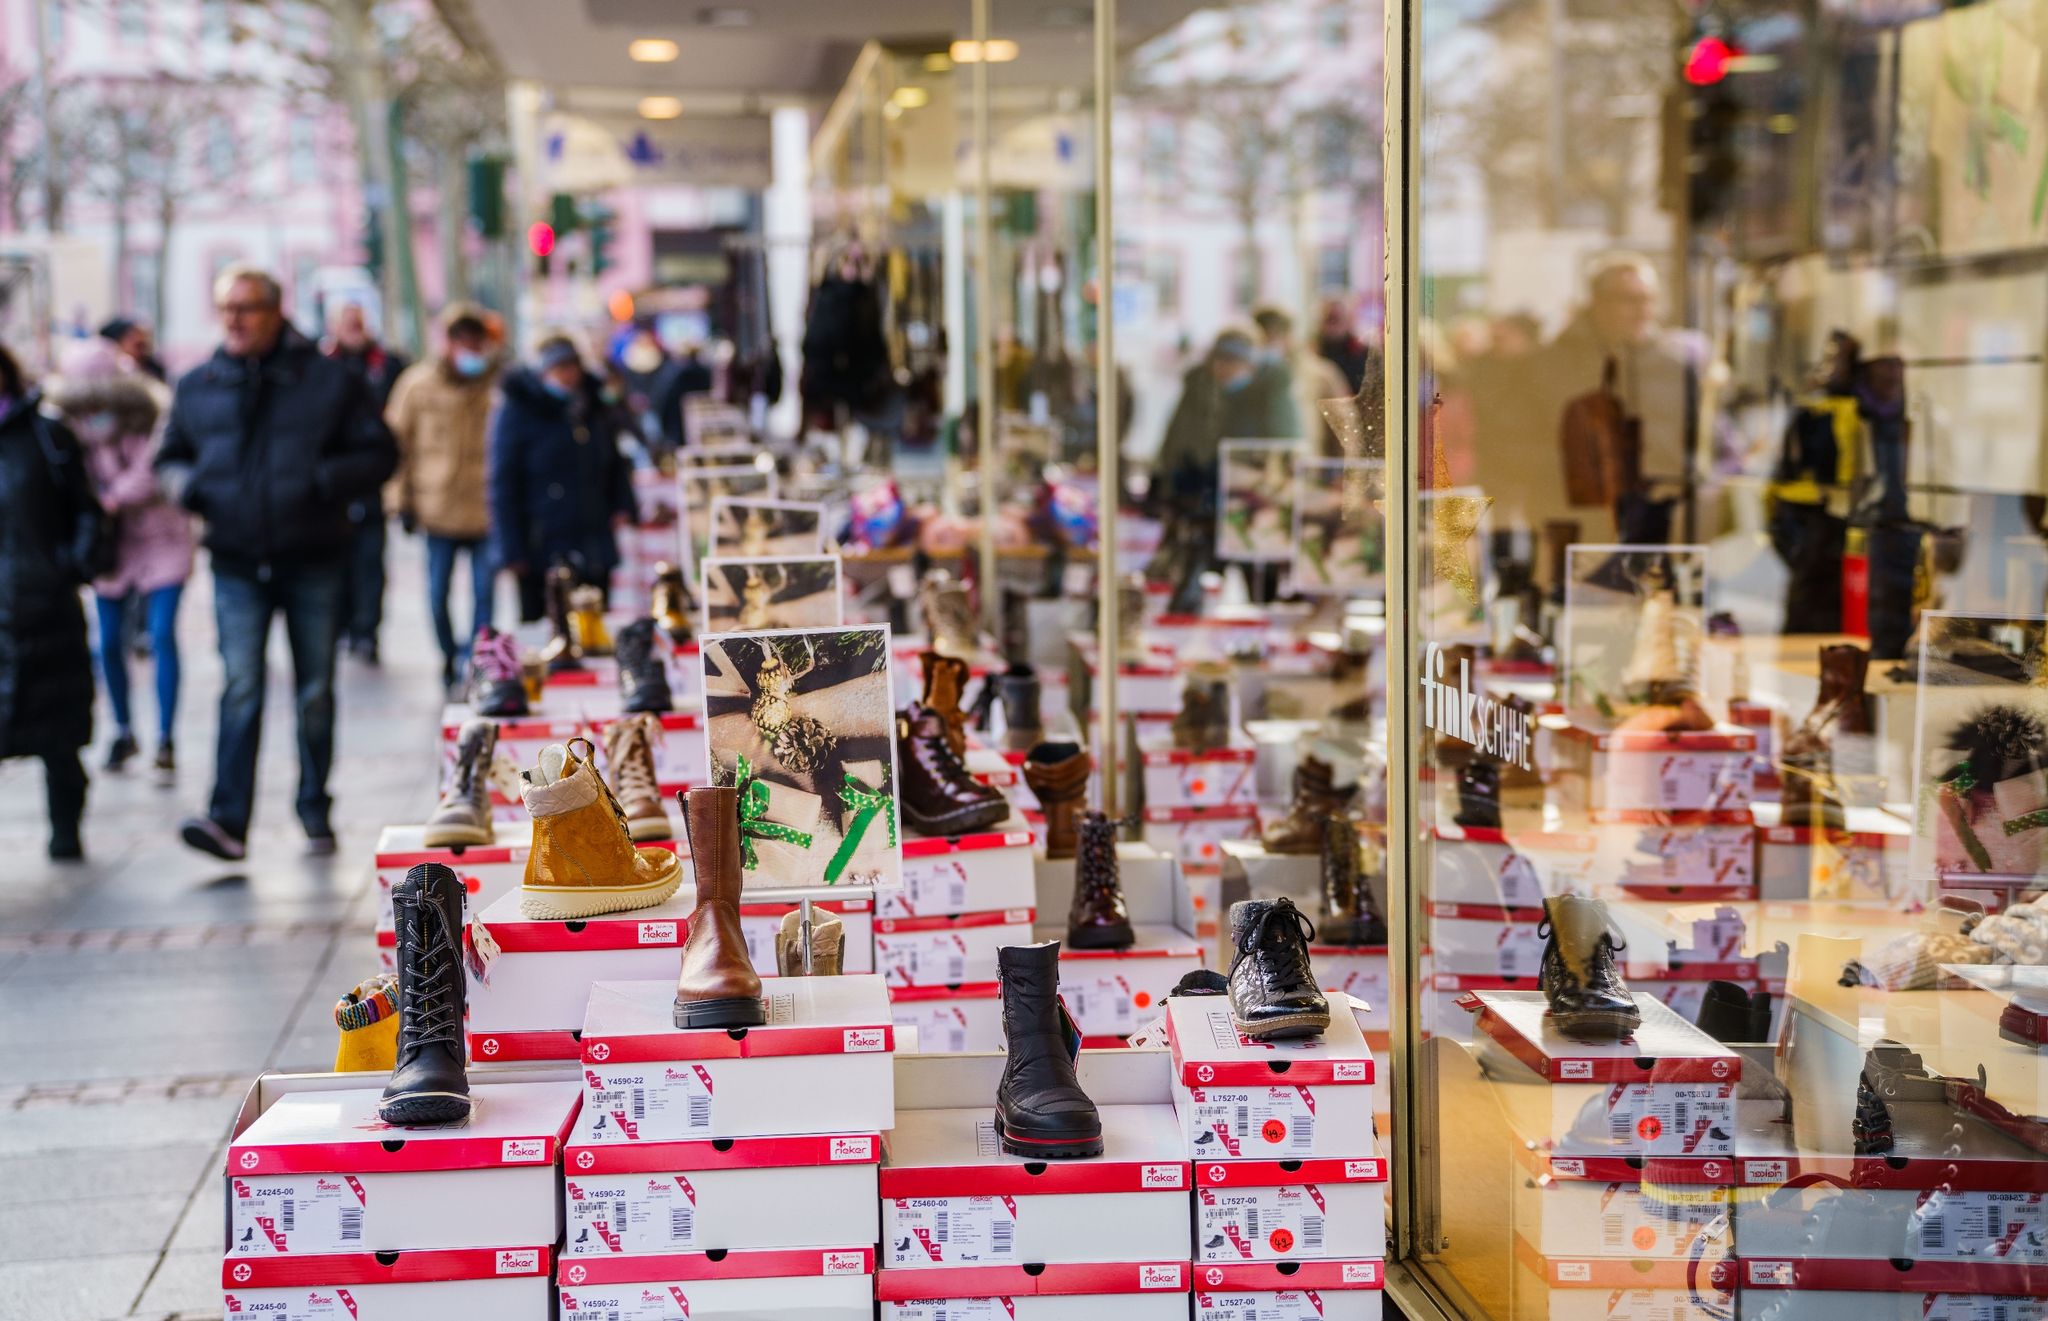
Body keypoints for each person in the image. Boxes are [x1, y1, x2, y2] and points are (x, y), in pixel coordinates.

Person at [157, 265, 398, 861]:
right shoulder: (199, 384)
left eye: (247, 308)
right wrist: (190, 488)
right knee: (240, 686)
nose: (235, 320)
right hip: (236, 561)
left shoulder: (328, 379)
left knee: (314, 689)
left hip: (313, 556)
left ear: (275, 310)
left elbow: (380, 452)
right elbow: (170, 456)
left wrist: (323, 481)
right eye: (226, 309)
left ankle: (315, 806)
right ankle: (227, 820)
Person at [47, 338, 192, 779]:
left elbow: (153, 469)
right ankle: (123, 728)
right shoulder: (68, 430)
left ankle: (165, 735)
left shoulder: (148, 416)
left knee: (162, 634)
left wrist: (109, 499)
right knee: (108, 640)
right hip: (111, 547)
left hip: (162, 538)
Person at [0, 342, 111, 860]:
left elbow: (86, 510)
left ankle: (66, 829)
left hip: (44, 605)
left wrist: (71, 564)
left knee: (57, 734)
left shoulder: (46, 435)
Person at [386, 303, 499, 692]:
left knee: (486, 594)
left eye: (475, 341)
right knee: (437, 594)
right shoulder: (417, 385)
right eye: (462, 340)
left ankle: (479, 660)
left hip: (486, 509)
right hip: (437, 508)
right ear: (448, 342)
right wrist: (398, 500)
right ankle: (449, 655)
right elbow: (396, 445)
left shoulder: (495, 387)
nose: (469, 349)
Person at [489, 336, 637, 622]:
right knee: (549, 624)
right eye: (560, 369)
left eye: (572, 367)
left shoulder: (593, 405)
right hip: (540, 540)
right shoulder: (517, 411)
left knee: (596, 622)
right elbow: (502, 483)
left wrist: (623, 505)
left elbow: (615, 463)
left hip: (593, 535)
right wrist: (510, 549)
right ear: (544, 372)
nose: (568, 376)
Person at [324, 302, 410, 665]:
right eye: (348, 323)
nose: (354, 329)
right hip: (334, 489)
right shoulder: (322, 368)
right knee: (338, 564)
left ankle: (366, 630)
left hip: (371, 482)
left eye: (359, 322)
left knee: (370, 563)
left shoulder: (388, 365)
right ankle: (344, 625)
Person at [1314, 298, 1371, 396]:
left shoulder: (1364, 354)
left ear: (1349, 319)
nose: (1332, 326)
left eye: (1336, 319)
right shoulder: (1311, 354)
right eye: (1329, 319)